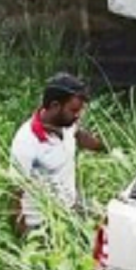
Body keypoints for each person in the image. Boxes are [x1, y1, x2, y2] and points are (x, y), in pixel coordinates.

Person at [9, 72, 105, 236]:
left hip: (71, 206)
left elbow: (78, 135)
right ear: (55, 106)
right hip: (43, 223)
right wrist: (24, 240)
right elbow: (14, 194)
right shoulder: (27, 142)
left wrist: (102, 145)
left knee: (111, 222)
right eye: (74, 110)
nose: (78, 115)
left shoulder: (66, 123)